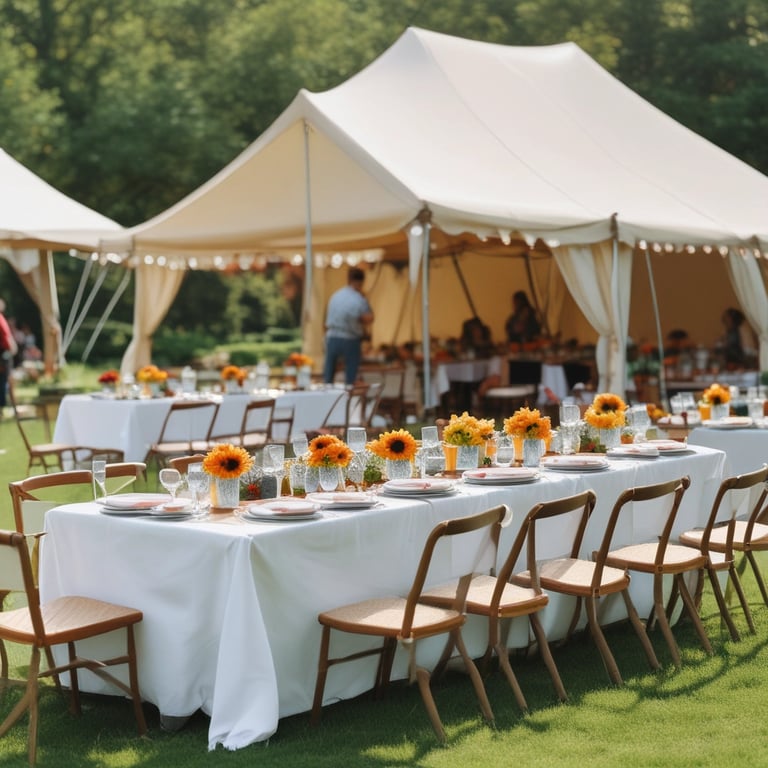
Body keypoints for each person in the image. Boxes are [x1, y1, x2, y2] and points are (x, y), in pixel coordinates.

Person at [322, 267, 374, 385]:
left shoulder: (335, 296)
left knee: (329, 375)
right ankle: (349, 398)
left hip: (332, 337)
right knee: (350, 377)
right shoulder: (359, 298)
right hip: (350, 339)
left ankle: (326, 396)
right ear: (362, 282)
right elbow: (369, 318)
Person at [0, 299, 18, 412]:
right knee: (2, 381)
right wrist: (12, 349)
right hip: (2, 355)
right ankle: (1, 408)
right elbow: (6, 337)